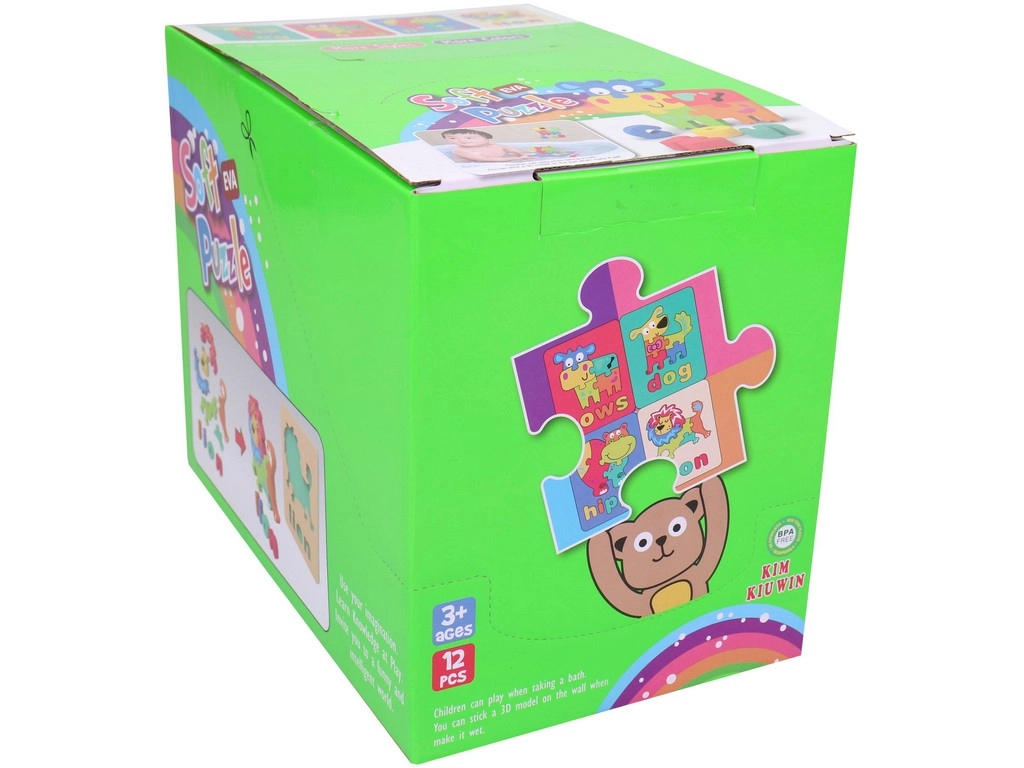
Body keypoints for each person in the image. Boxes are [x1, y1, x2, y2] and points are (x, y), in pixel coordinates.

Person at [441, 129, 531, 162]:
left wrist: (523, 154)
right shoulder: (460, 150)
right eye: (453, 138)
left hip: (503, 161)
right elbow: (485, 159)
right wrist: (515, 158)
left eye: (469, 138)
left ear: (488, 140)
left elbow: (512, 149)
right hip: (474, 165)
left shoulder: (497, 146)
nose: (461, 140)